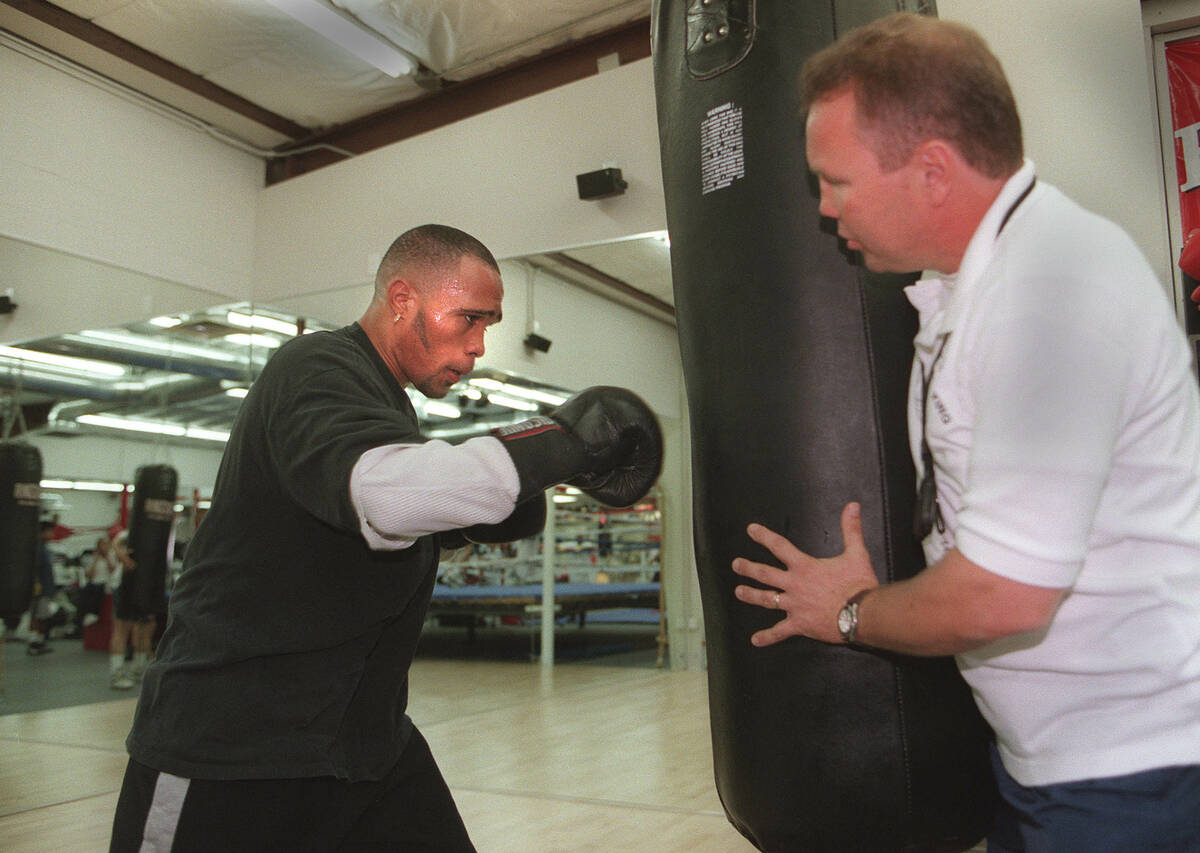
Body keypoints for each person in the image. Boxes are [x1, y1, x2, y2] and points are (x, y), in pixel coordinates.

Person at [729, 13, 1200, 853]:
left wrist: (851, 613)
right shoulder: (971, 290)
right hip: (1047, 762)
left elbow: (1003, 593)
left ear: (933, 171)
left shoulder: (1049, 291)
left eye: (834, 180)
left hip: (1136, 774)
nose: (825, 207)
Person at [110, 224, 661, 852]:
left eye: (491, 325)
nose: (480, 345)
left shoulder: (388, 410)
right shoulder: (316, 366)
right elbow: (384, 494)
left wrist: (475, 514)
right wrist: (562, 446)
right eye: (468, 319)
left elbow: (371, 531)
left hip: (358, 743)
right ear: (403, 299)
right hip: (229, 744)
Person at [108, 527, 155, 689]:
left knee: (146, 627)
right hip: (125, 584)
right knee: (122, 628)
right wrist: (122, 556)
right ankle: (117, 673)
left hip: (145, 585)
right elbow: (115, 542)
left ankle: (139, 669)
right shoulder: (134, 530)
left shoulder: (158, 532)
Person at [26, 521, 58, 655]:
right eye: (49, 531)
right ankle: (33, 644)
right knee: (37, 616)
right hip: (40, 590)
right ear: (42, 532)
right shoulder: (38, 548)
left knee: (43, 616)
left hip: (45, 589)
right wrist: (36, 588)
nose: (52, 534)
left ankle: (38, 642)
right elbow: (35, 570)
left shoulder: (44, 548)